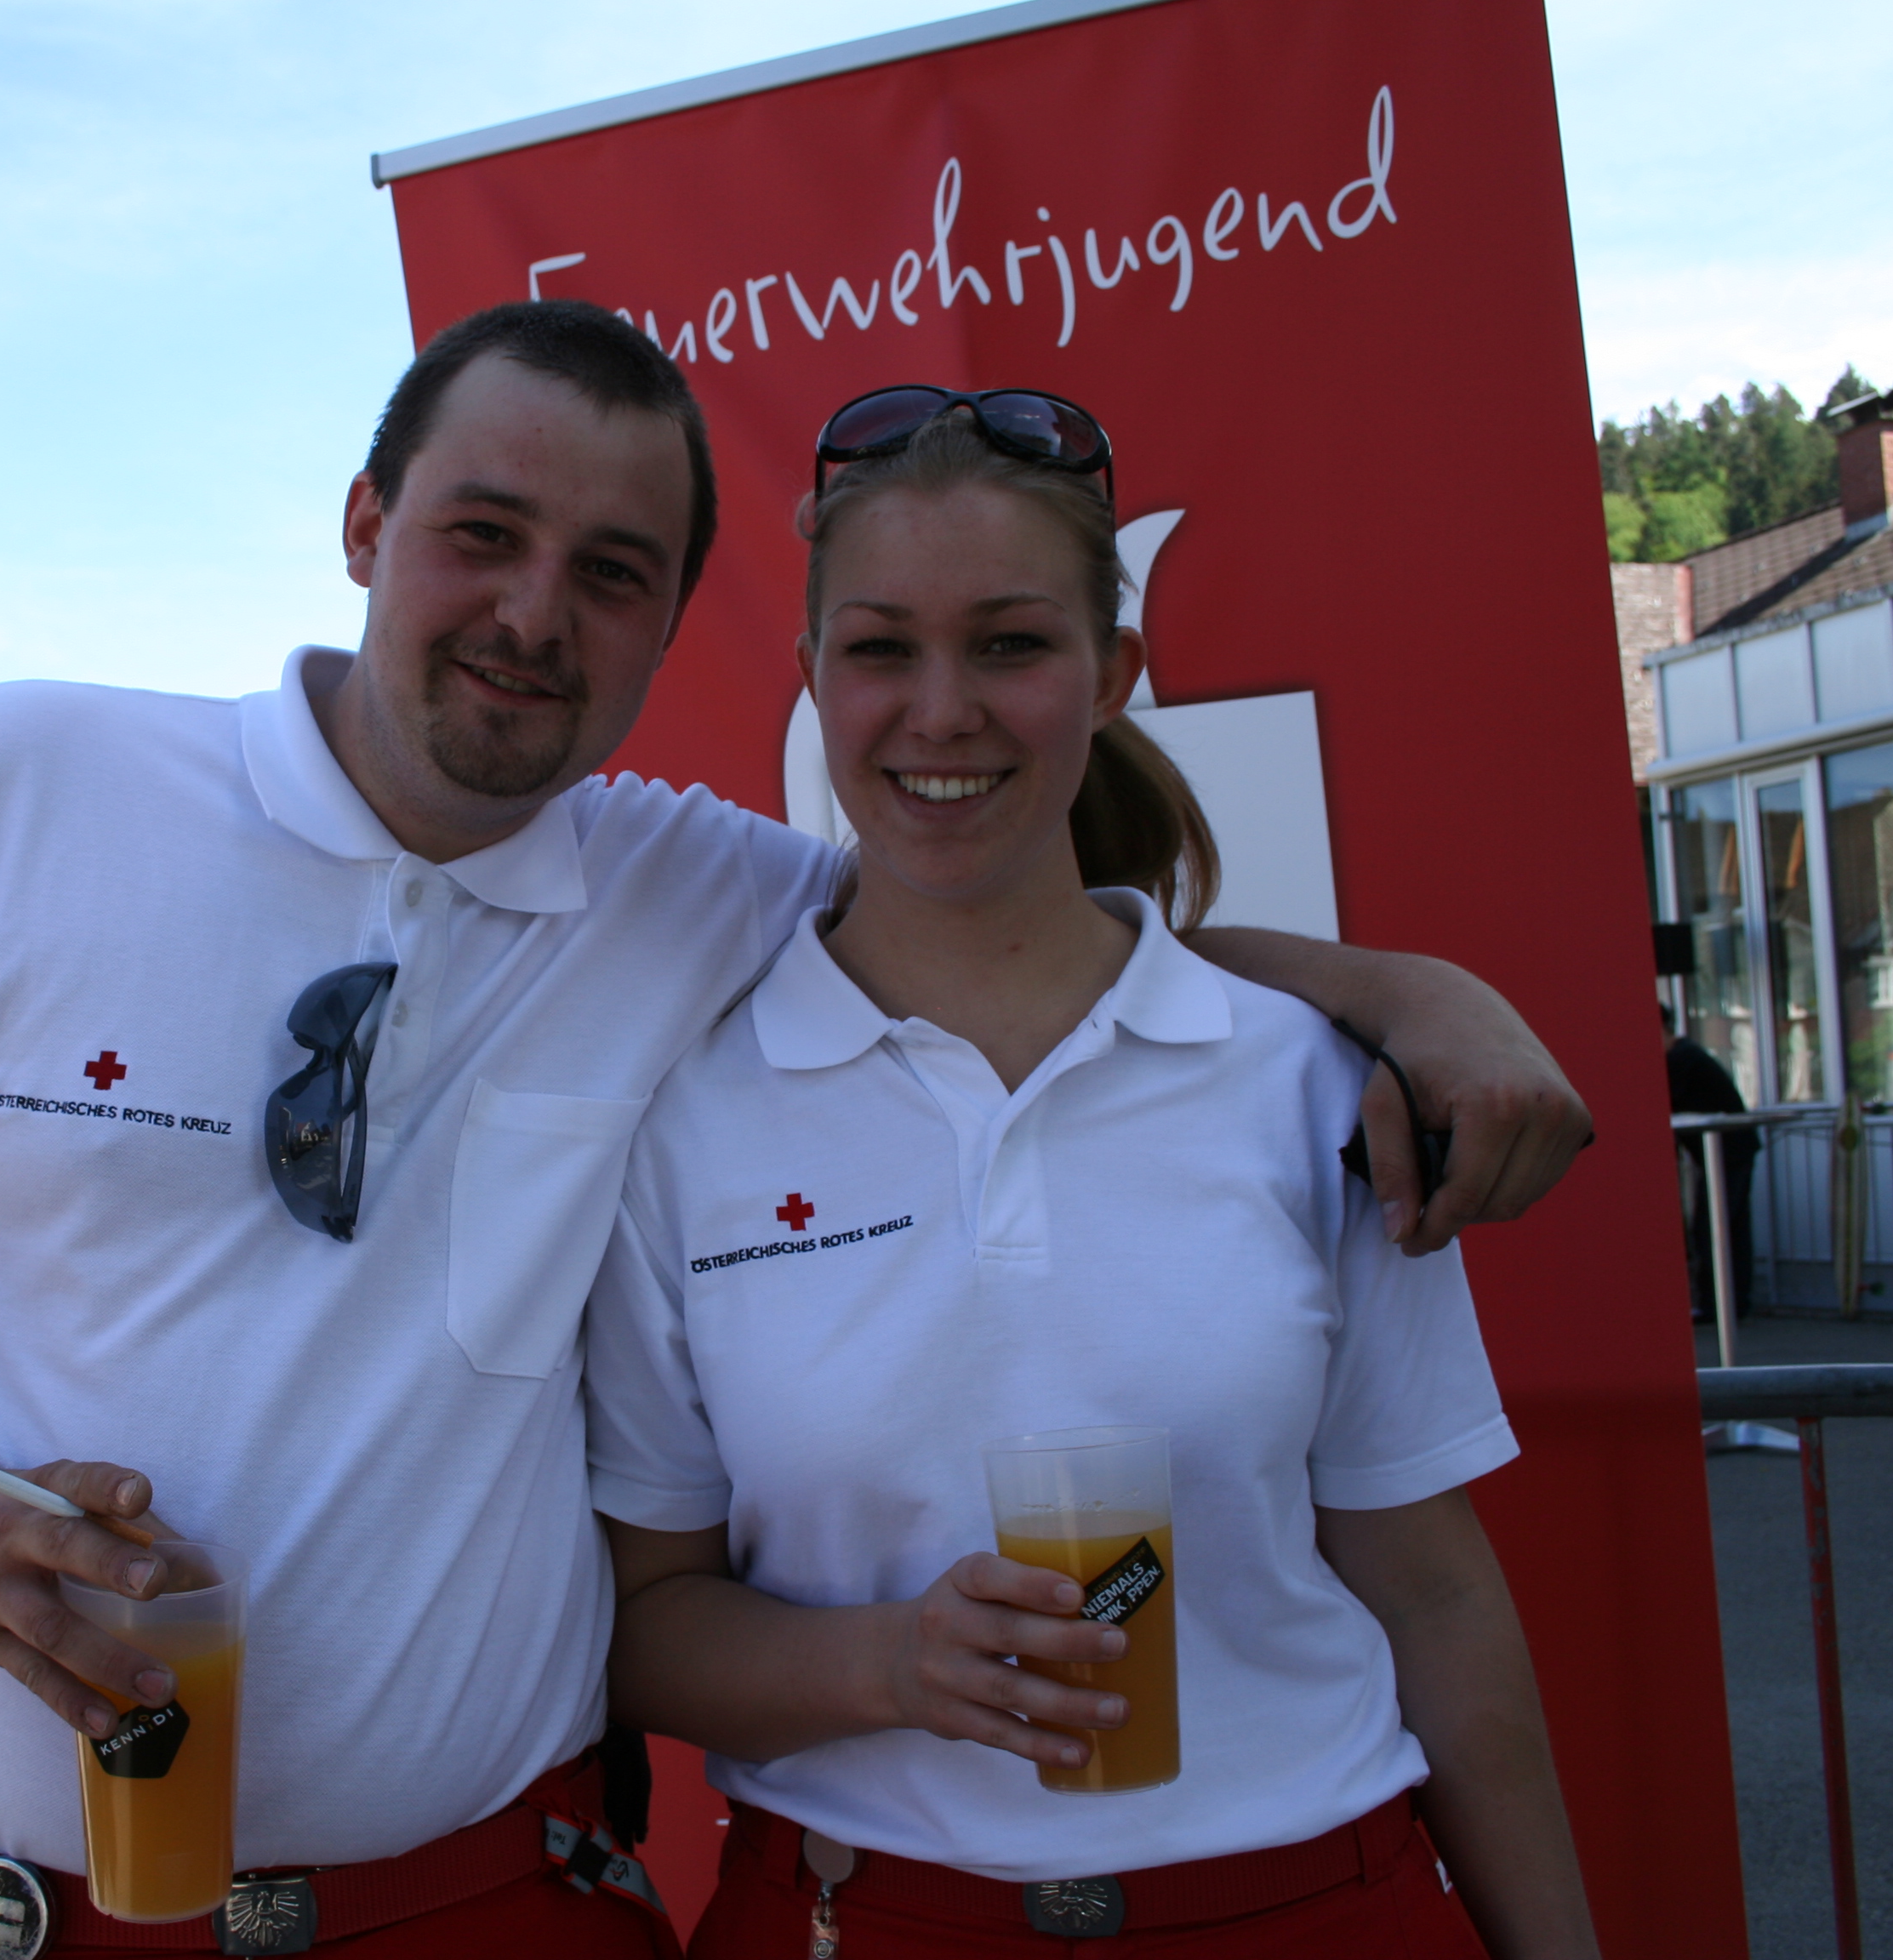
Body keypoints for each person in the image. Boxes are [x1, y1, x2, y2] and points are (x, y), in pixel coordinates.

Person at [0, 306, 1595, 1957]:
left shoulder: (684, 892)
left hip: (496, 1905)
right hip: (30, 1910)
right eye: (481, 533)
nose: (531, 613)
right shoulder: (15, 785)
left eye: (612, 574)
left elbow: (1008, 923)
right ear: (366, 522)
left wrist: (1396, 993)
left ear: (670, 628)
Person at [587, 391, 1598, 1957]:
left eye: (1010, 644)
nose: (942, 711)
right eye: (880, 649)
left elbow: (1433, 1591)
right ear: (813, 677)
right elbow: (644, 1621)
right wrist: (893, 1664)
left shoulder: (1306, 1080)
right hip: (865, 1917)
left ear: (1114, 674)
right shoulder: (686, 1119)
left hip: (1311, 1907)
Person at [1664, 1005, 1757, 1324]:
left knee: (1714, 1228)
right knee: (1728, 1227)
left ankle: (1719, 1305)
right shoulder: (1688, 1056)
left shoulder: (1682, 1059)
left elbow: (1664, 1101)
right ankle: (1731, 1303)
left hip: (1727, 1152)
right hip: (1729, 1151)